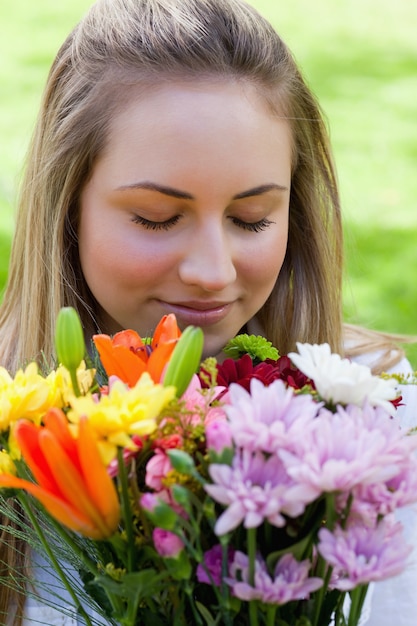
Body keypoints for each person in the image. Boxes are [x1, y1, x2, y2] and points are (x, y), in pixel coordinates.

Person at [0, 0, 415, 624]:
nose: (214, 272)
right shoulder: (17, 418)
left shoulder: (380, 411)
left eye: (252, 220)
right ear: (67, 208)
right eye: (156, 218)